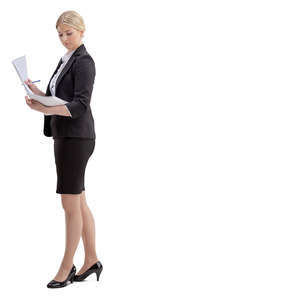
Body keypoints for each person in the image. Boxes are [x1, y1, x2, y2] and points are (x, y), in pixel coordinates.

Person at [24, 10, 103, 288]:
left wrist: (46, 107)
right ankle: (91, 259)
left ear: (81, 31)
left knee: (69, 204)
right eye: (60, 34)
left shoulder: (84, 62)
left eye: (69, 33)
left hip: (76, 138)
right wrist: (39, 97)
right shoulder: (65, 60)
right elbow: (60, 99)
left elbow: (80, 105)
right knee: (78, 200)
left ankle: (66, 267)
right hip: (66, 136)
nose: (64, 39)